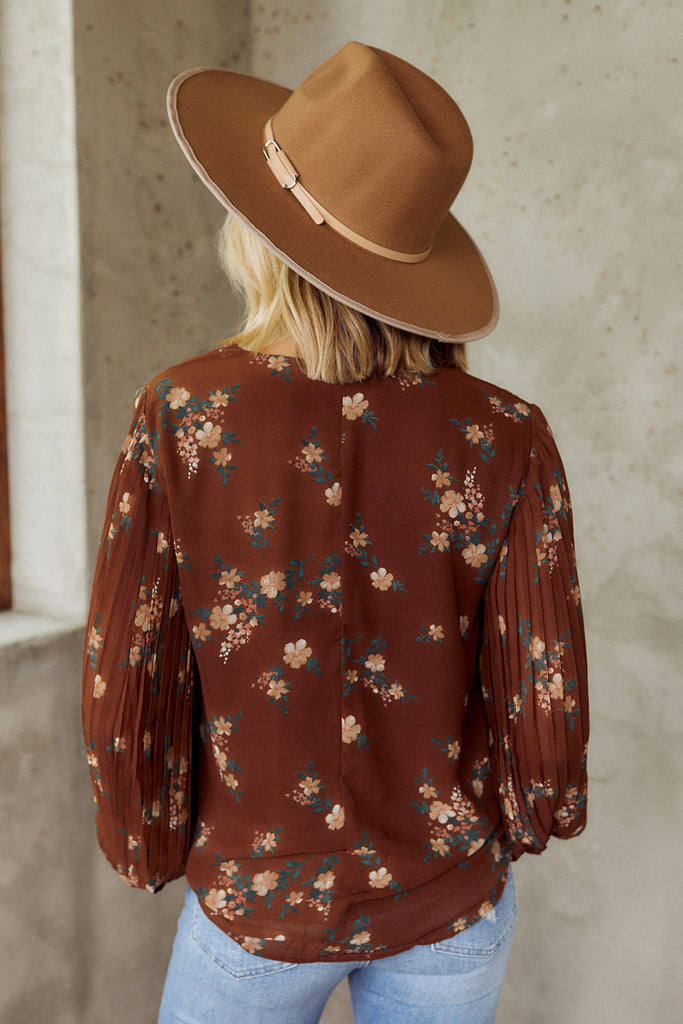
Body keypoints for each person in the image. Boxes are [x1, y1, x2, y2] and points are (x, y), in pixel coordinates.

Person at [81, 42, 589, 1024]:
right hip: (447, 899)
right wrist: (533, 812)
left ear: (260, 237)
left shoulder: (182, 414)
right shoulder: (504, 434)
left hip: (254, 904)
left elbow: (127, 671)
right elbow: (544, 687)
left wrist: (146, 834)